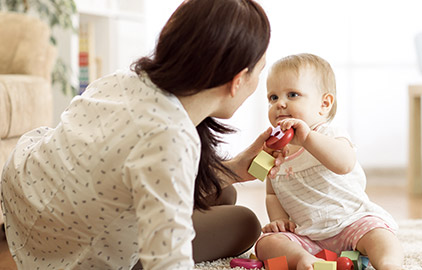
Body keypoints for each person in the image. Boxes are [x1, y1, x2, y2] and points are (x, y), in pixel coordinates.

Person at [0, 0, 281, 269]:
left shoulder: (131, 77)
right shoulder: (170, 138)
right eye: (260, 71)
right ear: (237, 80)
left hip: (31, 197)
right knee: (245, 223)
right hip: (68, 248)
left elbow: (146, 169)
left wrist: (234, 168)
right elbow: (169, 262)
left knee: (225, 192)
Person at [254, 53, 404, 270]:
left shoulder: (329, 134)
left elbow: (344, 164)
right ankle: (304, 260)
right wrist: (279, 221)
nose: (280, 104)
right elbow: (270, 191)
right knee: (267, 243)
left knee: (379, 233)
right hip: (308, 236)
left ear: (324, 104)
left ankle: (390, 264)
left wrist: (307, 138)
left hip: (352, 222)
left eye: (292, 94)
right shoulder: (274, 149)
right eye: (273, 98)